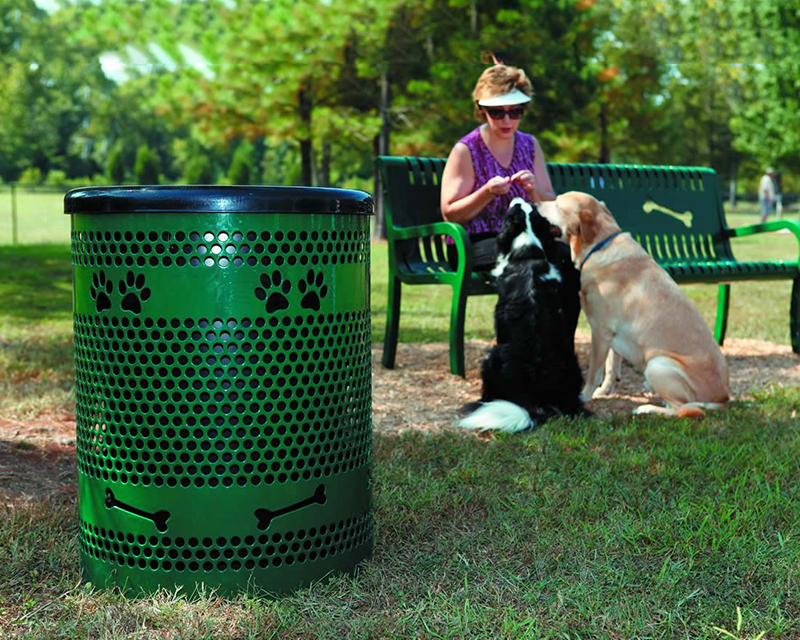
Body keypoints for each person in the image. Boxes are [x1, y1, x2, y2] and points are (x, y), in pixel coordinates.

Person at [440, 62, 580, 341]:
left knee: (568, 261)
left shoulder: (530, 145)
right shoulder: (466, 149)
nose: (507, 120)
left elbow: (549, 200)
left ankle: (560, 346)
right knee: (526, 261)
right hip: (473, 242)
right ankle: (518, 346)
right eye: (497, 112)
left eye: (515, 112)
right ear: (482, 110)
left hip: (526, 237)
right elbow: (450, 214)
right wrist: (486, 193)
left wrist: (533, 191)